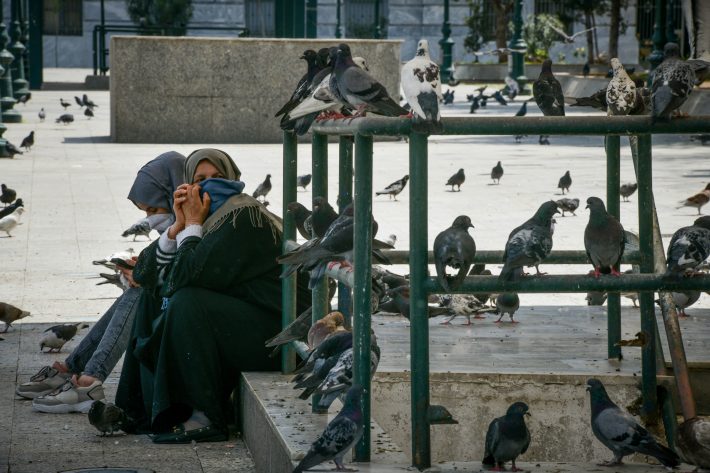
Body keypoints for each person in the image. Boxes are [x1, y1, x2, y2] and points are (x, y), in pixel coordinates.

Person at [115, 148, 311, 443]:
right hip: (248, 320)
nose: (211, 185)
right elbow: (144, 275)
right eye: (201, 179)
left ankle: (205, 416)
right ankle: (136, 410)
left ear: (233, 178)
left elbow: (187, 277)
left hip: (280, 336)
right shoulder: (214, 217)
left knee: (188, 303)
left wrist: (191, 226)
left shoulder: (243, 216)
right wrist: (175, 231)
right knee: (151, 298)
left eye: (218, 177)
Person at [16, 151, 186, 414]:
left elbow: (189, 271)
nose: (150, 219)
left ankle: (88, 380)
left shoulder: (194, 216)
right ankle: (76, 369)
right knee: (135, 290)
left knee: (137, 294)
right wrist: (143, 268)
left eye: (154, 209)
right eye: (146, 211)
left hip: (194, 308)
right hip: (181, 300)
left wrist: (147, 274)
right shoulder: (180, 219)